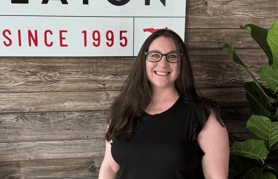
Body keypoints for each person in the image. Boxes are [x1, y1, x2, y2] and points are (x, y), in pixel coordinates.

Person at [98, 29, 229, 179]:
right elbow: (109, 166)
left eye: (172, 56)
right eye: (155, 55)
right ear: (144, 60)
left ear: (181, 62)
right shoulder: (122, 111)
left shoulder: (202, 114)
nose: (163, 63)